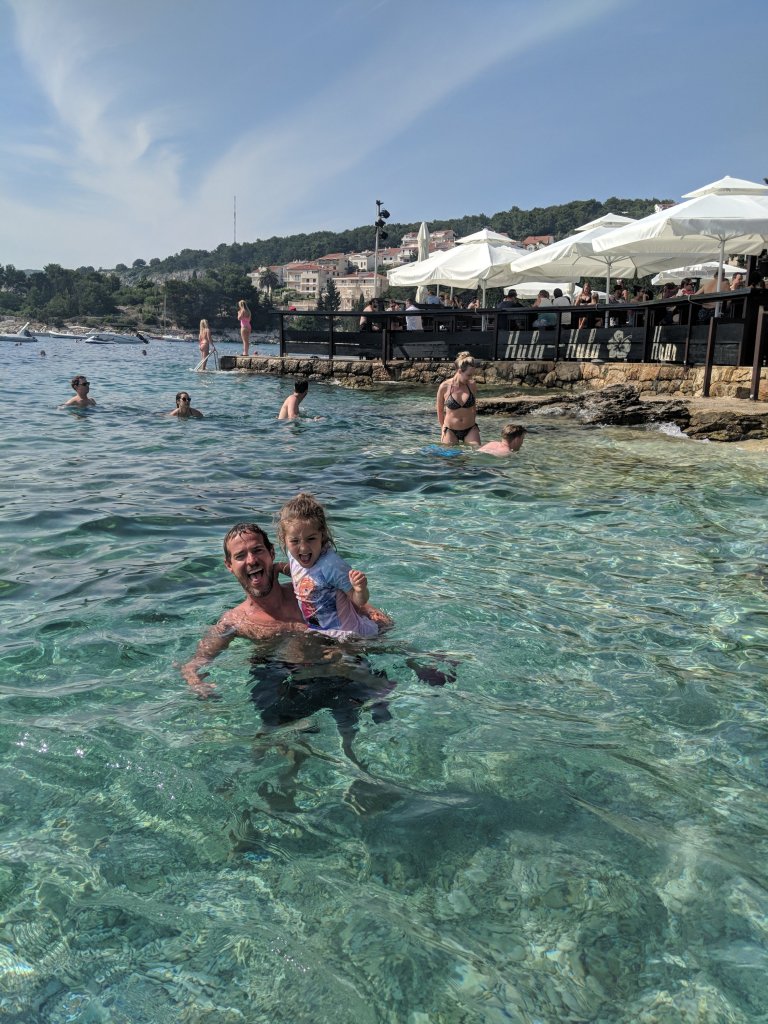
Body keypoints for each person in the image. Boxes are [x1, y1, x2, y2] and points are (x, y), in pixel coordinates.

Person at [275, 492, 390, 639]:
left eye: (311, 539)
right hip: (320, 631)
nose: (303, 548)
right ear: (284, 539)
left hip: (349, 634)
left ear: (322, 535)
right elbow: (304, 575)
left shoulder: (331, 565)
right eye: (295, 541)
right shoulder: (294, 556)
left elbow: (359, 600)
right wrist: (277, 568)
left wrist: (360, 589)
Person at [436, 351, 480, 446]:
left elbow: (473, 407)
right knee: (449, 455)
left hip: (470, 428)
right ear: (459, 371)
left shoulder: (472, 385)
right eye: (468, 375)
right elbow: (439, 410)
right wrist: (442, 428)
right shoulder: (444, 386)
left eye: (472, 375)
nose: (470, 378)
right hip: (450, 430)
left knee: (476, 452)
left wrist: (473, 424)